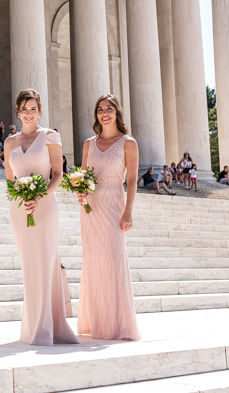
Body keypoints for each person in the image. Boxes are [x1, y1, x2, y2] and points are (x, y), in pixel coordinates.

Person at [4, 89, 78, 346]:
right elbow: (9, 180)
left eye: (33, 108)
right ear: (17, 111)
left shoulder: (50, 136)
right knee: (29, 267)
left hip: (45, 208)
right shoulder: (10, 142)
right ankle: (32, 327)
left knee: (46, 263)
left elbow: (58, 173)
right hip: (19, 209)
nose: (28, 112)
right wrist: (22, 198)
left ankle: (47, 328)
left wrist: (39, 197)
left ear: (40, 110)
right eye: (24, 108)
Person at [76, 94, 141, 341]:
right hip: (90, 209)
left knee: (114, 261)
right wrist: (80, 194)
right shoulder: (88, 144)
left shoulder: (128, 143)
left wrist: (129, 211)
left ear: (117, 113)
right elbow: (83, 178)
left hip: (114, 205)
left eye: (109, 109)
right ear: (96, 114)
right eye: (100, 109)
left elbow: (132, 180)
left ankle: (118, 324)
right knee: (93, 261)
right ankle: (97, 323)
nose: (105, 113)